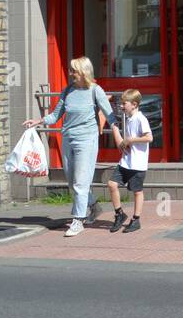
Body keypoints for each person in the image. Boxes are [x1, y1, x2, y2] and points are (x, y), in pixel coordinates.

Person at [23, 57, 114, 238]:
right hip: (68, 139)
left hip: (86, 141)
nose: (71, 73)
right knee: (73, 181)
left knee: (80, 182)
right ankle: (94, 206)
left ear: (84, 72)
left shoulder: (96, 91)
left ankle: (78, 219)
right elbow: (56, 114)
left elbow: (109, 114)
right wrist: (38, 121)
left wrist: (118, 132)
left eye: (74, 70)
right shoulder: (68, 91)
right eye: (71, 70)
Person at [108, 88, 152, 234]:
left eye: (124, 103)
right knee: (112, 184)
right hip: (125, 161)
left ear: (134, 104)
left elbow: (149, 138)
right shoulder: (128, 119)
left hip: (137, 163)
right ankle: (119, 214)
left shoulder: (141, 118)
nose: (121, 106)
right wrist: (119, 135)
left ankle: (136, 219)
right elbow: (124, 142)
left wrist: (131, 140)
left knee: (137, 191)